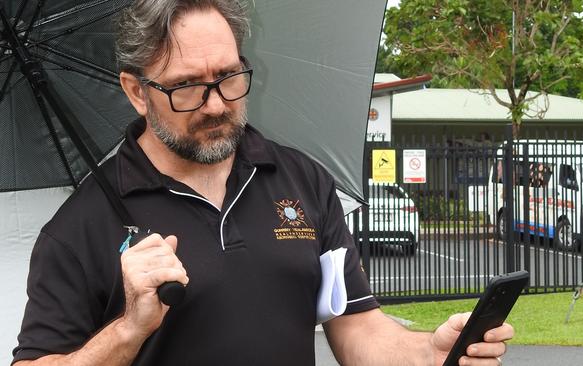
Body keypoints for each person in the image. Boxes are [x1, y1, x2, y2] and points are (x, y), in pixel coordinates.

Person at [12, 1, 513, 365]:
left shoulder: (301, 181)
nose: (215, 104)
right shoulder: (76, 229)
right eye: (188, 85)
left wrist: (427, 351)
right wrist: (127, 331)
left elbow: (356, 326)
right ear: (136, 92)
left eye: (228, 76)